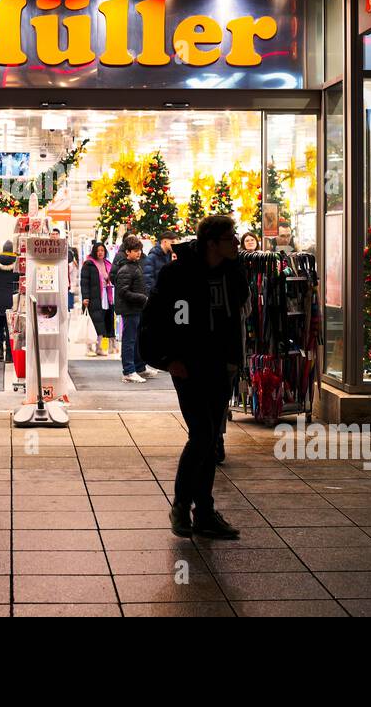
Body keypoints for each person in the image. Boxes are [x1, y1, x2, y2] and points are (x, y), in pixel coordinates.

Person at [140, 215, 247, 540]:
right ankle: (182, 507)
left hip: (220, 367)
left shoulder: (233, 273)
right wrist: (169, 359)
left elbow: (233, 320)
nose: (237, 244)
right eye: (230, 238)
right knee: (201, 435)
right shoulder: (179, 274)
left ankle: (202, 512)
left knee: (211, 439)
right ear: (212, 242)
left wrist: (233, 360)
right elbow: (161, 320)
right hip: (189, 367)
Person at [111, 235, 153, 383]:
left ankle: (138, 367)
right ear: (127, 252)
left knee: (136, 340)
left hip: (136, 308)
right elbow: (123, 291)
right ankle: (128, 371)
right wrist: (142, 298)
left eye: (139, 250)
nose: (138, 253)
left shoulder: (135, 265)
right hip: (130, 310)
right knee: (129, 340)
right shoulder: (126, 269)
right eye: (135, 251)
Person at [80, 241, 115, 356]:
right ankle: (89, 348)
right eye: (98, 250)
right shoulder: (88, 264)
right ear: (94, 251)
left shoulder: (107, 263)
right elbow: (84, 282)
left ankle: (99, 347)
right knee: (93, 322)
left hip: (105, 295)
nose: (100, 253)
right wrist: (85, 297)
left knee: (103, 321)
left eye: (102, 250)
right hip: (93, 297)